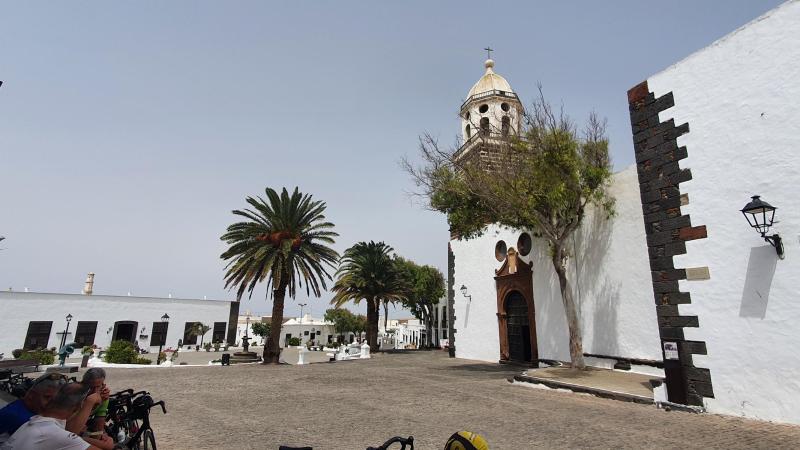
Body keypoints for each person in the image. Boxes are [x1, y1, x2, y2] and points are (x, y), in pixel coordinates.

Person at [0, 383, 108, 450]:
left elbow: (67, 432)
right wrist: (89, 403)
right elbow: (66, 435)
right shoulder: (52, 433)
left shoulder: (34, 422)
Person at [0, 373, 66, 444]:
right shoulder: (20, 418)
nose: (52, 404)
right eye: (47, 397)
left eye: (56, 400)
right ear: (31, 395)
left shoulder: (23, 408)